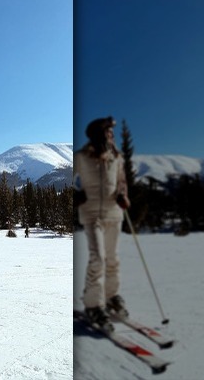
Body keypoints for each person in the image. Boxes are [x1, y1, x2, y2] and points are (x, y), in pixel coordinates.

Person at [73, 116, 131, 332]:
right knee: (98, 258)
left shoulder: (117, 157)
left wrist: (123, 196)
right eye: (107, 131)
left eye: (112, 132)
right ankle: (93, 305)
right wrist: (73, 195)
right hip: (91, 215)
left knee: (113, 258)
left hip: (114, 214)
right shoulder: (80, 156)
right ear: (98, 134)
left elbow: (122, 182)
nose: (111, 135)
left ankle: (111, 296)